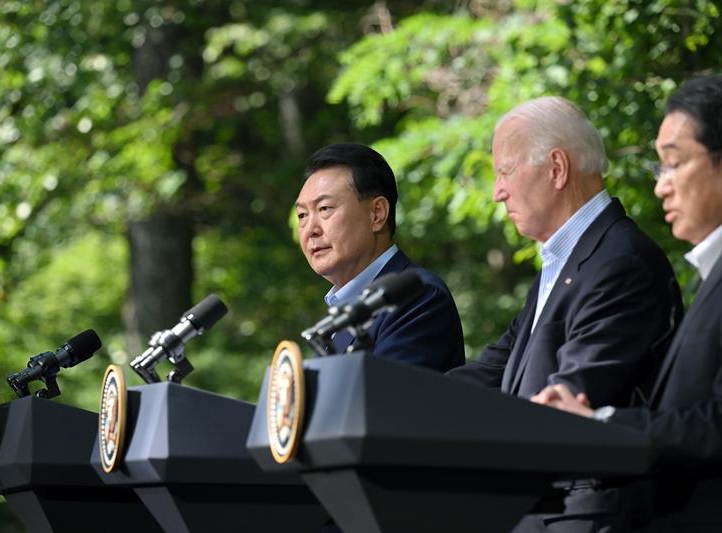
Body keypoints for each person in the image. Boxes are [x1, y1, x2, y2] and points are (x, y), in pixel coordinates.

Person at [445, 96, 683, 532]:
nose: (498, 192)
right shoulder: (565, 265)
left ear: (556, 168)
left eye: (505, 171)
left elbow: (568, 402)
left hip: (581, 516)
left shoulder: (619, 263)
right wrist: (388, 393)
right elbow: (493, 371)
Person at [533, 73, 722, 531]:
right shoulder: (710, 275)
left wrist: (598, 420)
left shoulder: (626, 262)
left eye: (674, 164)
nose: (661, 186)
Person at [294, 142, 464, 372]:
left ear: (377, 214)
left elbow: (387, 401)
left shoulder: (417, 297)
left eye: (324, 208)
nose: (310, 228)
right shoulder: (345, 313)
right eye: (302, 215)